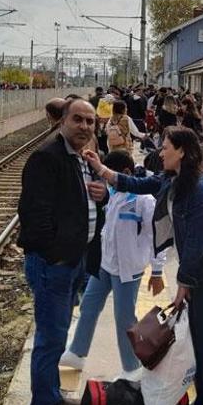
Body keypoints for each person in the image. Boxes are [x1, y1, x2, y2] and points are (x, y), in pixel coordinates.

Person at [84, 126, 203, 405]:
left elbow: (196, 245)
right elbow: (134, 184)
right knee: (196, 349)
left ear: (183, 152)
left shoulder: (202, 190)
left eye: (166, 148)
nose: (160, 152)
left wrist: (182, 284)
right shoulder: (172, 180)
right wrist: (100, 168)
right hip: (196, 274)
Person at [17, 99, 108, 405]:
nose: (85, 126)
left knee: (57, 335)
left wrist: (104, 195)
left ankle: (51, 397)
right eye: (78, 120)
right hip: (54, 264)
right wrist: (55, 256)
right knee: (50, 339)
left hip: (75, 261)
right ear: (63, 122)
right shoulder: (47, 158)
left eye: (90, 121)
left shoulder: (83, 156)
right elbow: (33, 215)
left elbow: (87, 199)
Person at [60, 150, 166, 381]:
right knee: (88, 305)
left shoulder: (144, 200)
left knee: (124, 319)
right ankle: (77, 352)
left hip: (128, 270)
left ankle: (131, 368)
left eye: (107, 175)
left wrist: (157, 271)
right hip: (106, 265)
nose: (105, 180)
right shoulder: (114, 193)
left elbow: (156, 237)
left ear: (125, 173)